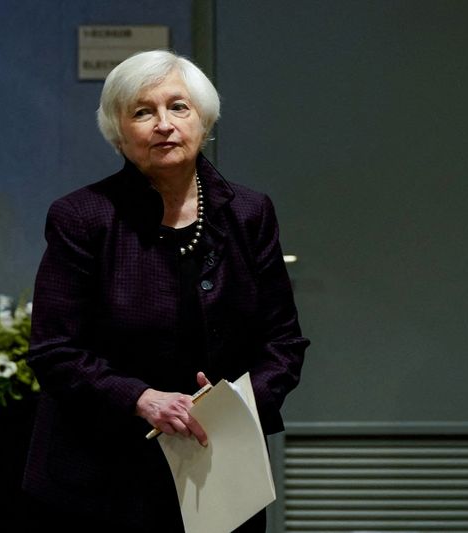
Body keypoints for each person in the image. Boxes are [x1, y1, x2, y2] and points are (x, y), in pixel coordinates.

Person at [21, 49, 309, 532]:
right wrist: (141, 398)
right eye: (142, 111)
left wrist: (233, 412)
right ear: (118, 131)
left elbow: (283, 343)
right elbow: (54, 350)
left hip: (219, 466)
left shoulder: (250, 212)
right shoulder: (82, 217)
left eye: (179, 106)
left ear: (203, 118)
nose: (164, 124)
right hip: (103, 469)